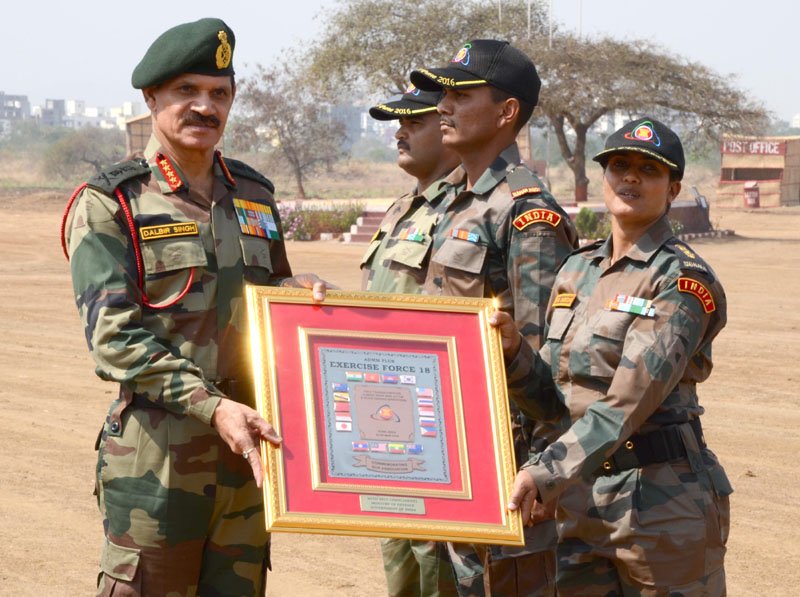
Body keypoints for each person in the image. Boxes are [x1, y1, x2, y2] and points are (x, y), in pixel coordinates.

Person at [61, 18, 328, 595]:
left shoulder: (254, 194)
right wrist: (213, 407)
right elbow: (114, 339)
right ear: (151, 97)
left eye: (219, 94)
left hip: (249, 457)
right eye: (187, 91)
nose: (204, 107)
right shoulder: (111, 203)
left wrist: (300, 296)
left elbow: (270, 303)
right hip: (157, 460)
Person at [502, 117, 732, 595]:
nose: (630, 177)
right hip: (578, 499)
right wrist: (512, 355)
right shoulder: (576, 270)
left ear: (673, 189)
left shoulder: (683, 281)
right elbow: (554, 395)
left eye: (648, 170)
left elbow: (629, 400)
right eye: (619, 165)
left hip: (662, 506)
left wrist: (547, 471)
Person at [410, 39, 579, 596]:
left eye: (460, 94)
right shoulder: (447, 203)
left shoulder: (527, 213)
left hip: (505, 464)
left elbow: (548, 379)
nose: (442, 107)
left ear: (507, 112)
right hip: (443, 443)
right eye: (444, 95)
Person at [363, 84, 462, 596]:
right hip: (386, 419)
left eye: (414, 122)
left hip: (440, 428)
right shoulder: (404, 207)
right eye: (396, 123)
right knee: (400, 558)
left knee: (439, 564)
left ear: (447, 127)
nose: (399, 132)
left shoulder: (468, 210)